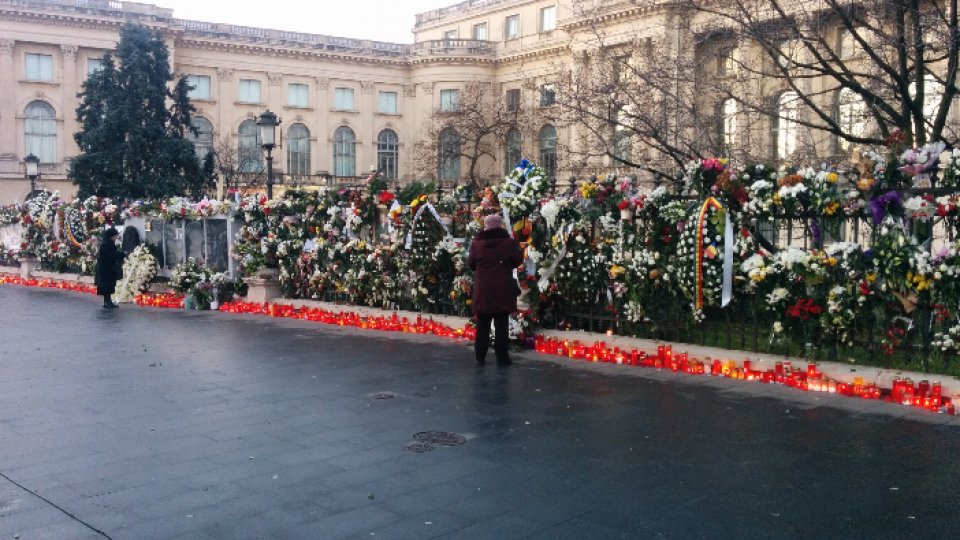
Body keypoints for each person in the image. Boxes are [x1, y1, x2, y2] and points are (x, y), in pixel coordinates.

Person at [467, 213, 523, 366]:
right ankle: (502, 357)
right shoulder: (508, 243)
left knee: (483, 324)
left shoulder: (477, 244)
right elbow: (518, 260)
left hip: (483, 289)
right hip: (502, 288)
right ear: (500, 225)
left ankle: (480, 356)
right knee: (501, 324)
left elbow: (471, 264)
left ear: (485, 226)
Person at [95, 227, 122, 309]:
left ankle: (107, 302)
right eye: (115, 235)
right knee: (107, 286)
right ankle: (108, 303)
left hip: (104, 268)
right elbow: (112, 255)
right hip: (106, 269)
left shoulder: (106, 243)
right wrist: (123, 254)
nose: (116, 237)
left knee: (106, 286)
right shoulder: (108, 244)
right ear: (111, 236)